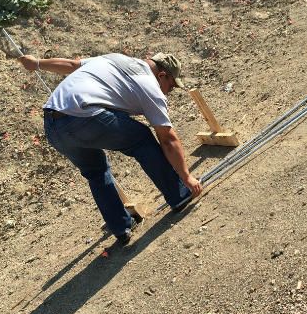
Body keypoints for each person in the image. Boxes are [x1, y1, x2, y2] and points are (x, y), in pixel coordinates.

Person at [17, 51, 202, 244]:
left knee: (96, 171)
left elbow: (71, 65)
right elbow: (167, 138)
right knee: (141, 138)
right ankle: (179, 195)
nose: (167, 92)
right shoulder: (150, 85)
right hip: (85, 115)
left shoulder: (114, 59)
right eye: (170, 86)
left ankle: (122, 228)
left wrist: (37, 63)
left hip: (53, 127)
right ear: (162, 75)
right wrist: (187, 176)